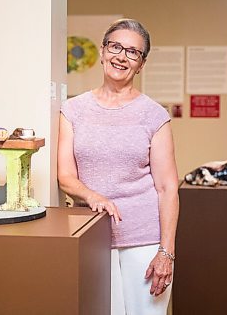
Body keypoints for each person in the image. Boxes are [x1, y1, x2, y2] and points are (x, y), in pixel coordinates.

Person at [58, 19, 179, 315]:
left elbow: (167, 188)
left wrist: (166, 252)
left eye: (133, 52)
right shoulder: (73, 110)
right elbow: (65, 177)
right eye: (115, 46)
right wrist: (93, 196)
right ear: (102, 51)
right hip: (91, 237)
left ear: (141, 64)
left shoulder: (154, 114)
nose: (121, 56)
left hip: (145, 240)